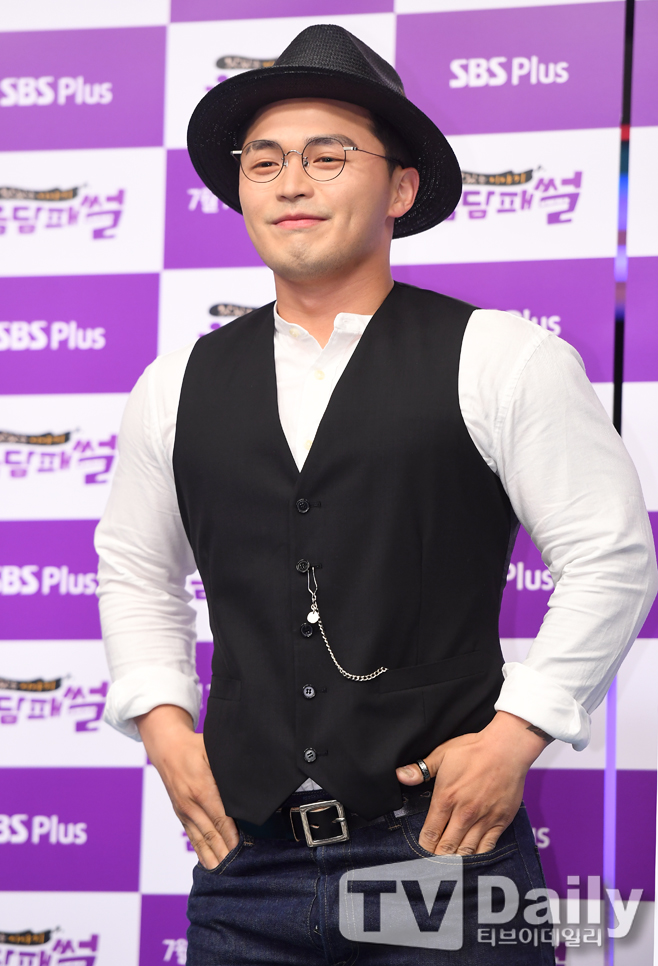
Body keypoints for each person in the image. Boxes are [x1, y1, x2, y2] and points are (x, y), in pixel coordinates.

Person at [95, 24, 657, 965]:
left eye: (327, 156)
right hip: (244, 869)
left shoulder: (500, 356)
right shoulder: (175, 384)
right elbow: (134, 568)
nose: (291, 183)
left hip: (441, 858)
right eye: (264, 161)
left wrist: (516, 733)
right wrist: (161, 722)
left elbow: (611, 556)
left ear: (399, 189)